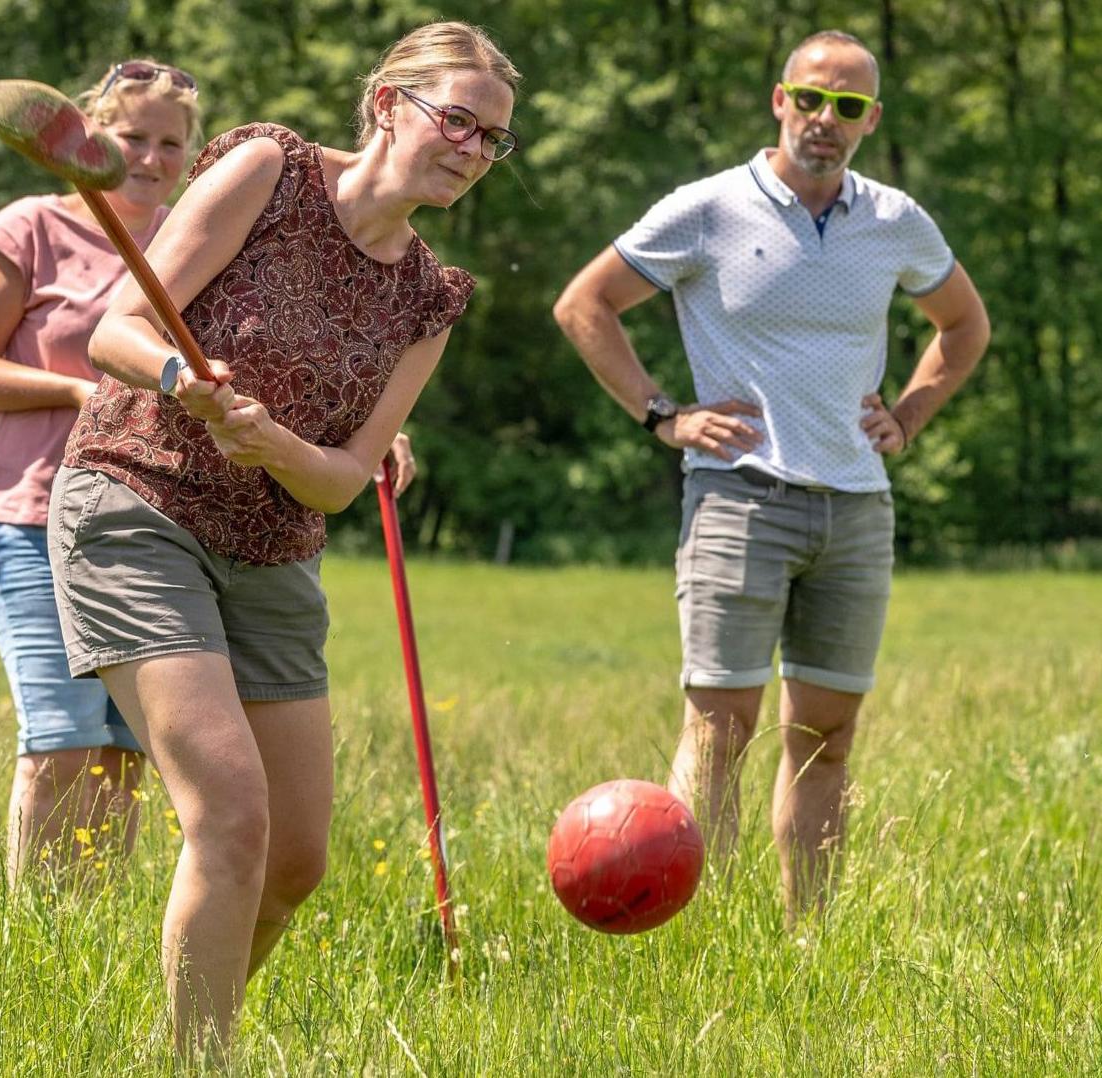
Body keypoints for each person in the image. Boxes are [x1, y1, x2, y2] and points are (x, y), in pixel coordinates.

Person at [52, 22, 519, 1052]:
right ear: (388, 102)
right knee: (229, 813)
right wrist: (185, 380)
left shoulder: (429, 298)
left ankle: (175, 1034)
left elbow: (348, 478)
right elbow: (117, 330)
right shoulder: (271, 170)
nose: (472, 150)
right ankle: (197, 1062)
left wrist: (270, 442)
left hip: (272, 543)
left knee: (295, 858)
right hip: (139, 499)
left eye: (492, 140)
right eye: (457, 119)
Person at [554, 29, 990, 921]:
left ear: (871, 120)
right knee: (720, 732)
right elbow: (583, 303)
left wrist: (905, 416)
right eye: (812, 98)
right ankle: (691, 927)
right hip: (738, 499)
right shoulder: (707, 209)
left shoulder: (895, 221)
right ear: (780, 99)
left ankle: (807, 940)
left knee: (827, 736)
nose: (826, 120)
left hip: (858, 509)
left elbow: (964, 327)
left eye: (850, 106)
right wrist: (661, 413)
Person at [0, 60, 204, 883]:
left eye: (170, 142)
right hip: (34, 521)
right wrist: (77, 388)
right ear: (87, 137)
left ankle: (85, 928)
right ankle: (35, 932)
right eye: (131, 138)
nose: (150, 158)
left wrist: (361, 434)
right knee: (63, 734)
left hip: (150, 527)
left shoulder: (193, 243)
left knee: (123, 747)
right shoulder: (31, 229)